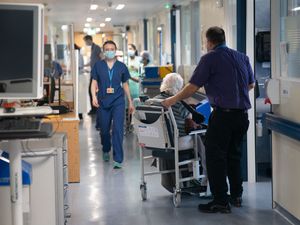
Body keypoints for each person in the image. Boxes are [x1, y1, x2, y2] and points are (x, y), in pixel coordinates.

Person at [162, 26, 255, 213]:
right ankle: (236, 196)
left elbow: (192, 87)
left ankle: (220, 201)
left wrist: (171, 100)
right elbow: (250, 84)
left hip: (223, 116)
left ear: (209, 42)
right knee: (234, 156)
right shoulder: (242, 57)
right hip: (242, 116)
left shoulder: (210, 58)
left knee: (215, 158)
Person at [149, 73, 207, 192]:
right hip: (176, 140)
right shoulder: (177, 102)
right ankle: (205, 178)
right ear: (179, 88)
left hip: (158, 141)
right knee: (201, 136)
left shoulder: (153, 101)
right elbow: (190, 121)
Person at [91, 40, 134, 169]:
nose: (109, 51)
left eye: (112, 49)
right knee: (104, 130)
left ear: (115, 51)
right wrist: (93, 96)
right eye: (107, 49)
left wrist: (130, 101)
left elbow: (125, 84)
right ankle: (106, 148)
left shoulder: (122, 66)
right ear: (104, 51)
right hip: (103, 100)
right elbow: (94, 82)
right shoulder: (98, 66)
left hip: (118, 101)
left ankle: (118, 159)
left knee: (118, 129)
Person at [83, 35, 102, 115]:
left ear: (89, 40)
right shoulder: (92, 48)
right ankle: (94, 109)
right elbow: (92, 61)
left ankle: (95, 109)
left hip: (97, 73)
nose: (85, 43)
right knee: (92, 91)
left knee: (93, 91)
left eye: (86, 41)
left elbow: (102, 57)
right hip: (93, 73)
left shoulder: (97, 47)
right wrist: (83, 66)